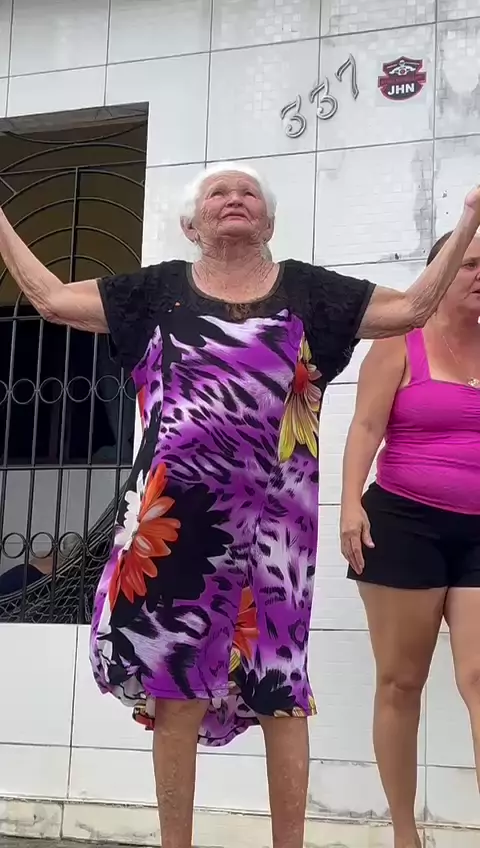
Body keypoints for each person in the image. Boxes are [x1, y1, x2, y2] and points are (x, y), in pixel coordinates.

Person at [1, 162, 479, 848]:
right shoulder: (153, 292)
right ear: (192, 224)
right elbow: (49, 298)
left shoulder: (311, 293)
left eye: (248, 192)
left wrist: (469, 220)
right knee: (176, 690)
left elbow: (411, 309)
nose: (234, 199)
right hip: (173, 529)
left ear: (270, 221)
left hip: (276, 536)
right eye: (218, 193)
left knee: (281, 689)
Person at [340, 231, 480, 848]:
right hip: (403, 525)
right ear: (441, 272)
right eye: (470, 263)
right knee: (402, 682)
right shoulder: (401, 340)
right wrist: (349, 505)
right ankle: (404, 834)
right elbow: (365, 424)